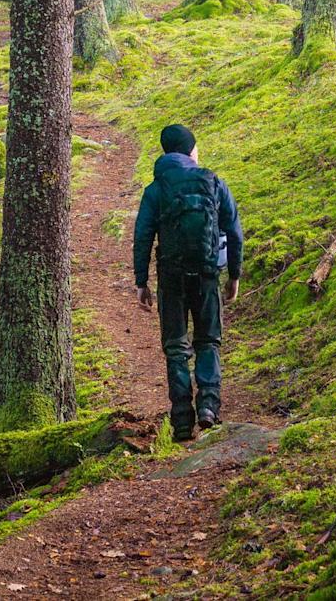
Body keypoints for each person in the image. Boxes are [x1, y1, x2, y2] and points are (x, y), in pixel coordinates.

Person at [133, 124, 243, 440]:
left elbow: (143, 235)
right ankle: (209, 407)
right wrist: (233, 275)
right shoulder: (213, 182)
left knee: (176, 347)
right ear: (190, 150)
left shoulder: (156, 189)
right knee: (208, 341)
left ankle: (182, 418)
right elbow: (234, 232)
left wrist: (141, 281)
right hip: (208, 274)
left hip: (171, 275)